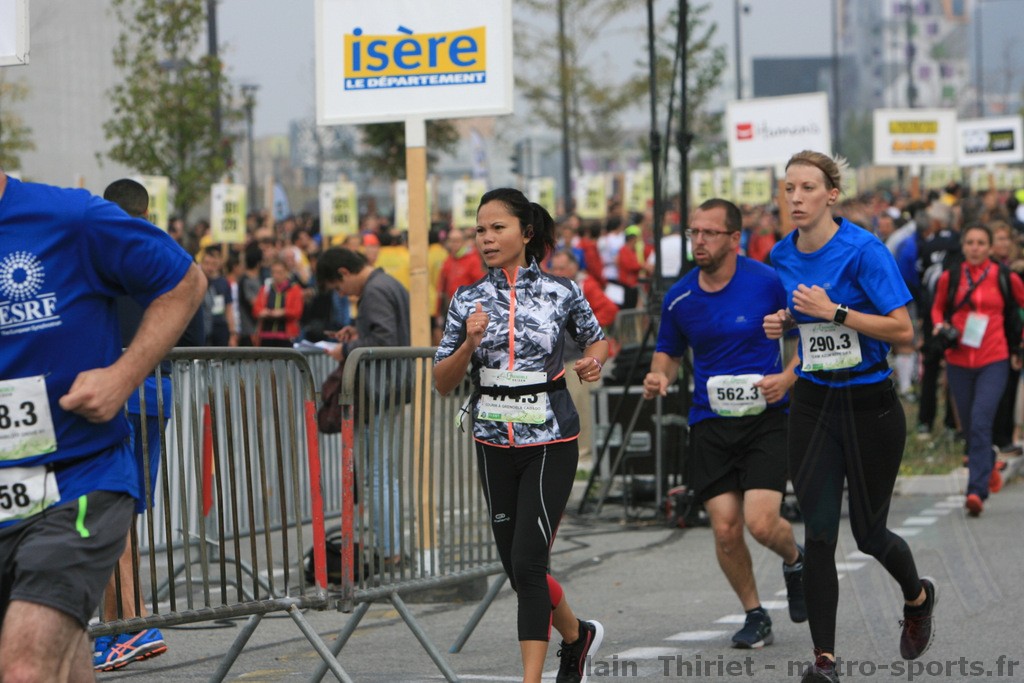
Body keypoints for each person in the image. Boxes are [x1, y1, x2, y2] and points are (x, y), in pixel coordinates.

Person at [0, 169, 205, 682]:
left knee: (23, 666)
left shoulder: (70, 217)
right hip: (7, 490)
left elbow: (186, 282)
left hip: (77, 480)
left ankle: (132, 621)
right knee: (63, 656)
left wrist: (123, 375)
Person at [763, 151, 936, 682]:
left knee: (869, 534)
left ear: (831, 195)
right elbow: (807, 324)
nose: (796, 198)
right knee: (818, 534)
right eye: (789, 188)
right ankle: (825, 662)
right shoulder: (781, 254)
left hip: (869, 407)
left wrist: (834, 311)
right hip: (814, 406)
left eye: (808, 188)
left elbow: (903, 331)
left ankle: (918, 597)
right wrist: (786, 321)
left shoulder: (864, 250)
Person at [433, 188, 608, 683]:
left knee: (530, 565)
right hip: (492, 441)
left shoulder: (562, 291)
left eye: (498, 228)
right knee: (517, 569)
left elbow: (596, 339)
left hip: (550, 439)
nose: (486, 238)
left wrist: (592, 361)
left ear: (526, 233)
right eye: (480, 230)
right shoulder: (465, 298)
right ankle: (576, 636)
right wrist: (468, 343)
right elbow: (442, 381)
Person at [641, 198, 805, 650]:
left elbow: (806, 335)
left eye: (709, 233)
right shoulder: (680, 297)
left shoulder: (768, 282)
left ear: (735, 238)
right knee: (726, 529)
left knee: (761, 523)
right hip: (710, 422)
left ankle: (795, 559)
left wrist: (787, 378)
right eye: (694, 232)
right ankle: (755, 614)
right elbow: (668, 352)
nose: (699, 241)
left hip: (765, 419)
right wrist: (658, 376)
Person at [317, 247, 410, 564]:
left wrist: (345, 350)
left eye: (338, 287)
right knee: (384, 474)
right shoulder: (387, 283)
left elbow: (384, 341)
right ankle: (390, 548)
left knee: (378, 476)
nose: (342, 294)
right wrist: (358, 332)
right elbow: (386, 332)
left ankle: (389, 552)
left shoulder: (374, 291)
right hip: (389, 389)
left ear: (344, 272)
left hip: (379, 391)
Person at [931, 224, 1024, 517]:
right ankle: (989, 466)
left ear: (990, 247)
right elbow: (936, 308)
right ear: (963, 246)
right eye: (970, 242)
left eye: (981, 243)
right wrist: (939, 326)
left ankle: (976, 491)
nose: (975, 248)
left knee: (981, 420)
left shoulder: (1004, 276)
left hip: (994, 358)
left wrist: (1020, 344)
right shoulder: (950, 277)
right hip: (958, 359)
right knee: (970, 427)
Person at [252, 257, 305, 347]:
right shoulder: (266, 289)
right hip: (266, 335)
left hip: (286, 336)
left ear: (286, 272)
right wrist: (263, 312)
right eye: (274, 272)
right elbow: (256, 309)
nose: (276, 276)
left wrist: (283, 312)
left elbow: (297, 311)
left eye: (280, 272)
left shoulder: (294, 289)